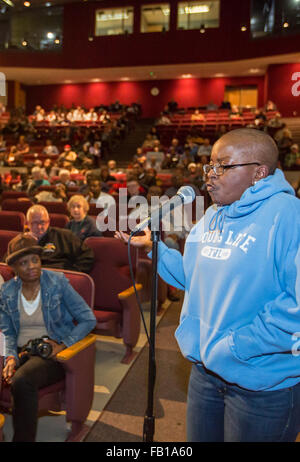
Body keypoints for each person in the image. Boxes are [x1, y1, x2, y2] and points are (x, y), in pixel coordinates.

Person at [115, 127, 300, 442]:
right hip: (205, 373)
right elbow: (192, 278)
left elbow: (293, 308)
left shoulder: (288, 216)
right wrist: (153, 248)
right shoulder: (212, 216)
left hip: (262, 386)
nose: (210, 175)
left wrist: (235, 348)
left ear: (259, 172)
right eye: (208, 166)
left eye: (222, 166)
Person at [0, 233, 96, 442]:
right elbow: (7, 331)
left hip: (50, 354)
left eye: (35, 259)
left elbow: (88, 319)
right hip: (20, 350)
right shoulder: (7, 291)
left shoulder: (57, 283)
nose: (32, 265)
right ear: (14, 267)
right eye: (24, 262)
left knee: (22, 380)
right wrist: (9, 357)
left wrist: (63, 344)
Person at [25, 205, 94, 273]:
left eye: (42, 222)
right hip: (32, 280)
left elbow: (87, 256)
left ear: (48, 222)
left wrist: (73, 273)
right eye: (34, 223)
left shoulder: (64, 236)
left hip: (60, 277)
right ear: (27, 224)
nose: (39, 227)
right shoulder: (22, 242)